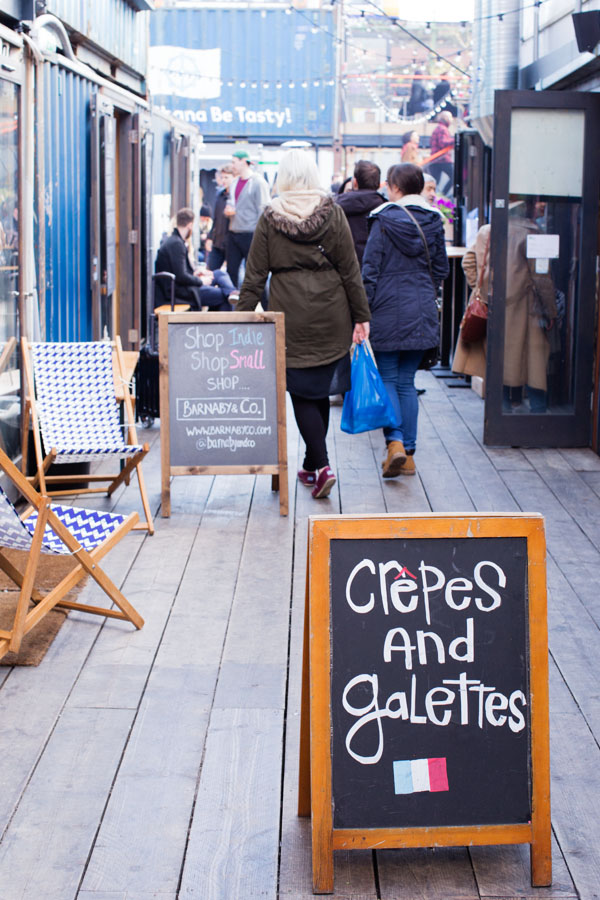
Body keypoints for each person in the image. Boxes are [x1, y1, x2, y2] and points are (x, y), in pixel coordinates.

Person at [236, 149, 371, 499]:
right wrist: (361, 315)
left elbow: (254, 276)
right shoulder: (333, 213)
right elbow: (350, 270)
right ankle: (314, 463)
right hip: (332, 311)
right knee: (319, 385)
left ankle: (320, 463)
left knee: (302, 389)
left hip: (289, 314)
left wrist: (240, 320)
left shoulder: (270, 216)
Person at [361, 163, 449, 478]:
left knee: (387, 377)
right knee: (407, 382)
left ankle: (394, 442)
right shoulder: (434, 221)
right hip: (422, 308)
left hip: (386, 309)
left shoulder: (383, 221)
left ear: (395, 187)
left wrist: (362, 313)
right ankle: (408, 454)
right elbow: (441, 270)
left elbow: (369, 271)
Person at [154, 208, 237, 311]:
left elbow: (180, 272)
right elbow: (181, 276)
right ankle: (230, 298)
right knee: (222, 296)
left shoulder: (175, 241)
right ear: (190, 225)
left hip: (184, 287)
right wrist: (200, 281)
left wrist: (196, 273)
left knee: (220, 273)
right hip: (181, 292)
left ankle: (232, 293)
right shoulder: (176, 244)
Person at [225, 149, 270, 288]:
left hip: (251, 234)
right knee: (230, 271)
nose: (232, 166)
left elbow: (264, 210)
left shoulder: (258, 182)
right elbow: (231, 203)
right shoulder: (234, 182)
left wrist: (261, 235)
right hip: (233, 232)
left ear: (243, 162)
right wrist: (228, 211)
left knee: (254, 273)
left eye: (234, 162)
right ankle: (232, 304)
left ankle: (263, 305)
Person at [452, 222, 491, 382]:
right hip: (518, 304)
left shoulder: (487, 230)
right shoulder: (531, 231)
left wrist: (478, 288)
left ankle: (503, 401)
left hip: (486, 299)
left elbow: (468, 261)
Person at [334, 160, 385, 265]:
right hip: (376, 270)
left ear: (355, 182)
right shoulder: (385, 209)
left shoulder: (334, 206)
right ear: (379, 184)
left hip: (344, 268)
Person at [206, 165, 234, 271]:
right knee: (210, 271)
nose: (224, 180)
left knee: (234, 274)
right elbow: (216, 219)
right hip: (218, 242)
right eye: (222, 177)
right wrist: (210, 237)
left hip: (231, 242)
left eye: (227, 177)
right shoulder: (219, 195)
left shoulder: (236, 196)